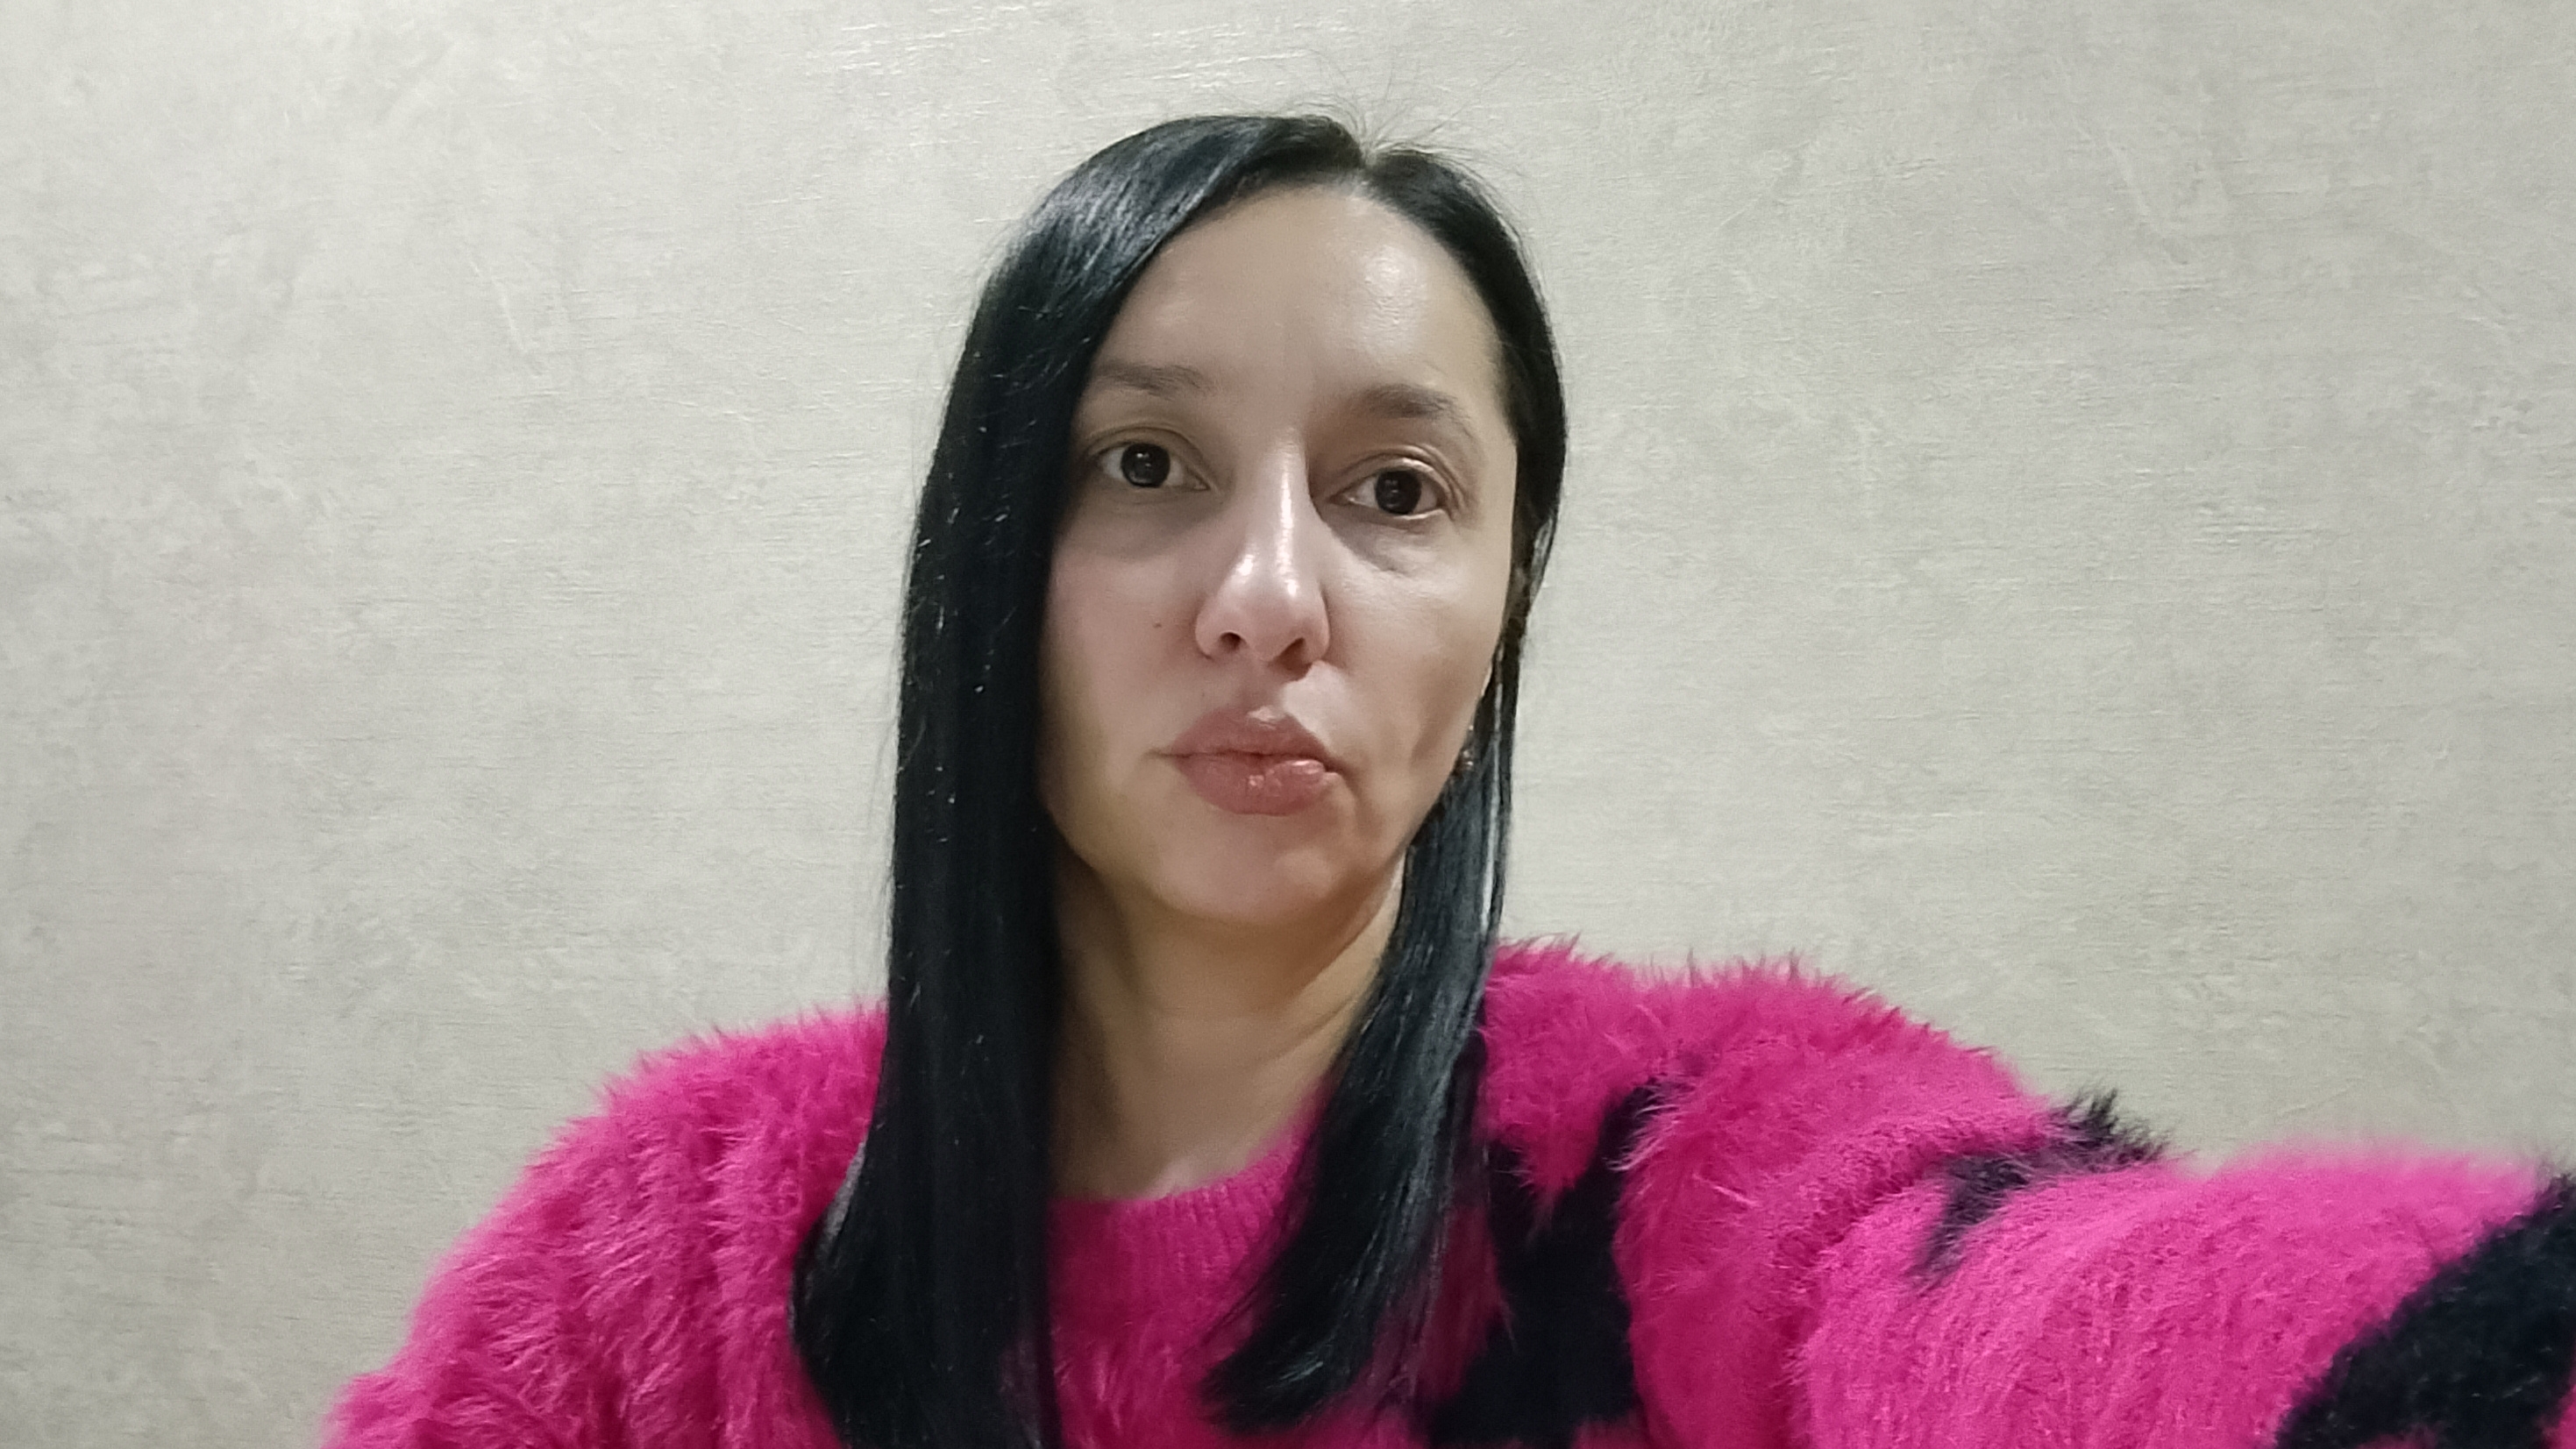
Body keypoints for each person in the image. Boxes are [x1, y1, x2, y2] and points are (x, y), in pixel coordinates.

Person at [324, 114, 2576, 1449]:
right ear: (986, 565)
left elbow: (2020, 1313)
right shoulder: (679, 1245)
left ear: (1500, 598)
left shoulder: (1675, 1159)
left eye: (1392, 490)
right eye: (1142, 464)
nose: (1264, 597)